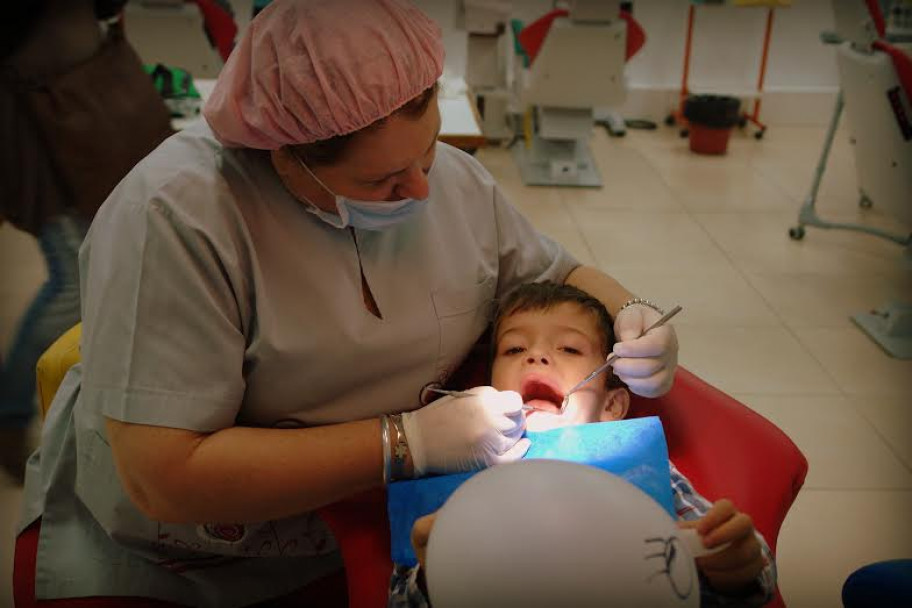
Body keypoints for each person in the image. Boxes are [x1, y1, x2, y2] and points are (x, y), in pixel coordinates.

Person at [15, 1, 679, 606]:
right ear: (286, 154)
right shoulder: (176, 219)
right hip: (191, 560)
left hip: (385, 531)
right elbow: (167, 476)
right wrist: (406, 440)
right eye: (383, 179)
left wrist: (634, 314)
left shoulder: (452, 185)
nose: (421, 190)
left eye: (427, 152)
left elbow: (557, 272)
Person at [390, 282, 775, 608]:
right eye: (514, 350)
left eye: (570, 349)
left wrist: (735, 566)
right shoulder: (455, 477)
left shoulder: (641, 472)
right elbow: (400, 597)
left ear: (611, 406)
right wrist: (431, 577)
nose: (536, 356)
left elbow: (753, 569)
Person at [0, 0, 170, 484]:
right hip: (45, 114)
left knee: (104, 262)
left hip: (78, 105)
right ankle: (10, 414)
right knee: (74, 281)